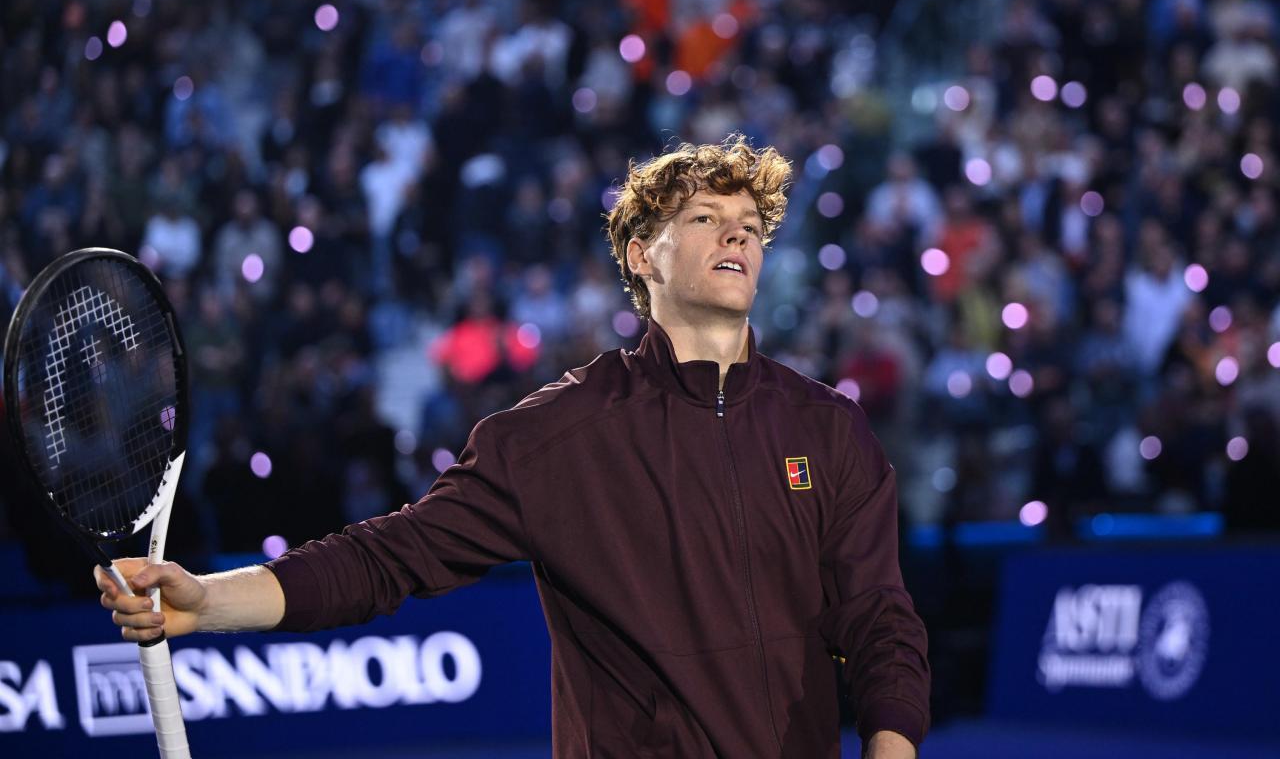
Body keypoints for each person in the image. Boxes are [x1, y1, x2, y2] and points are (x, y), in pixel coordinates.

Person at [96, 135, 930, 758]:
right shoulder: (552, 438)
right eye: (706, 220)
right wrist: (208, 601)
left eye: (750, 225)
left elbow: (881, 621)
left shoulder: (826, 427)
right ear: (643, 256)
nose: (737, 238)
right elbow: (390, 558)